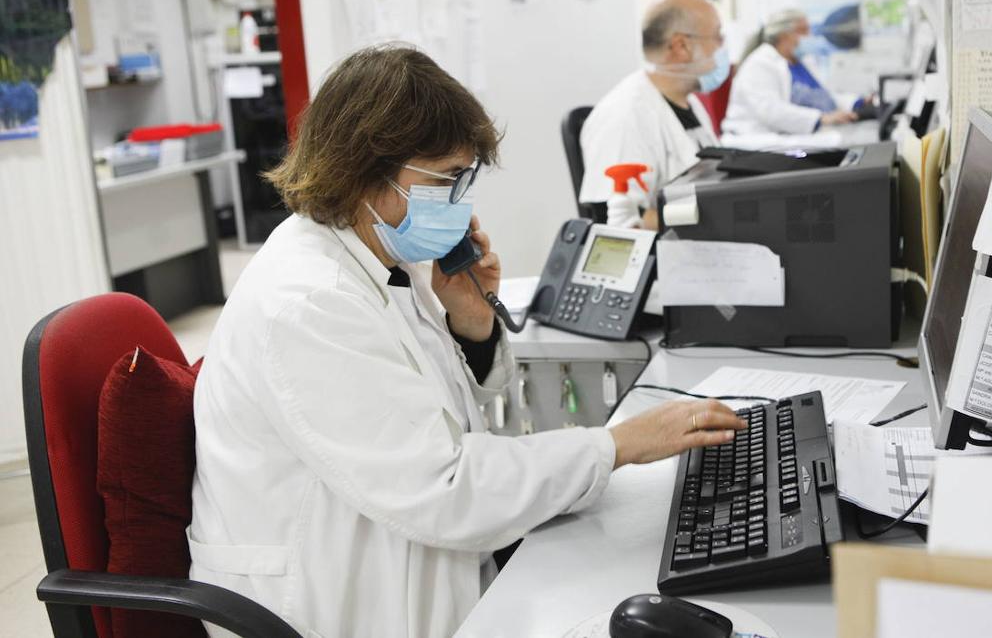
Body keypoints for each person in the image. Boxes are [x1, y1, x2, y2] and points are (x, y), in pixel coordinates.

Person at [188, 44, 745, 638]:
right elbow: (443, 487)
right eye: (447, 179)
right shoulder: (307, 302)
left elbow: (439, 424)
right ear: (364, 170)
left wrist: (471, 327)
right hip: (321, 602)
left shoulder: (381, 260)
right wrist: (618, 445)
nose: (460, 200)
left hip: (404, 544)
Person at [578, 0, 726, 229]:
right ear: (681, 46)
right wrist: (717, 224)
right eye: (718, 37)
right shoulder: (626, 114)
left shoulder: (689, 102)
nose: (722, 47)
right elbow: (619, 217)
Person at [721, 8, 859, 138]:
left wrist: (856, 103)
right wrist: (820, 118)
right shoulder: (760, 64)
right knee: (838, 143)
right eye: (803, 30)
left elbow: (822, 96)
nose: (810, 36)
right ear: (784, 35)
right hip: (757, 136)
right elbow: (771, 111)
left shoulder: (803, 62)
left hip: (798, 133)